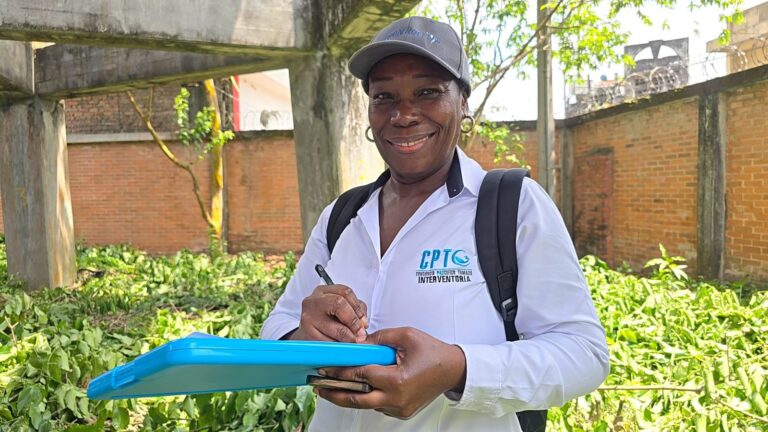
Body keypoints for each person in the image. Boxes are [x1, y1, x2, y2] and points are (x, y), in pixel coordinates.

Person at [260, 16, 609, 431]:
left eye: (427, 92)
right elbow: (276, 329)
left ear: (463, 102)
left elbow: (583, 353)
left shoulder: (512, 206)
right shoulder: (342, 216)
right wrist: (303, 337)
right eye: (384, 96)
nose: (403, 115)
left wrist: (458, 369)